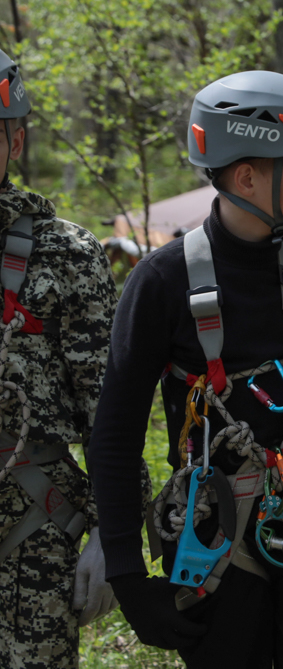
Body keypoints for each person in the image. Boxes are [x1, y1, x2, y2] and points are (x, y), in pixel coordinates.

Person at [88, 72, 283, 668]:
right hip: (216, 552)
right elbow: (116, 433)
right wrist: (127, 575)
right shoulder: (162, 282)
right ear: (248, 176)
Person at [0, 49, 120, 668]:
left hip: (30, 536)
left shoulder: (63, 254)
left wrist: (110, 531)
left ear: (15, 140)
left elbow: (108, 404)